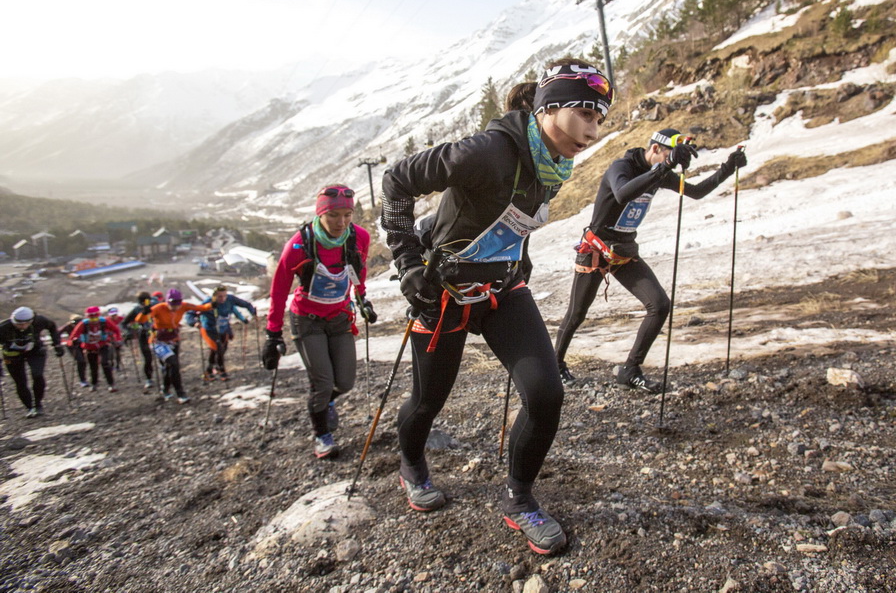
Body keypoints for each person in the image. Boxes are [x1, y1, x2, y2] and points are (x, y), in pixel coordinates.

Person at [378, 59, 612, 555]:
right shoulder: (487, 152)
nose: (592, 131)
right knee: (428, 401)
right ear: (548, 107)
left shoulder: (555, 162)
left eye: (599, 119)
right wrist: (407, 264)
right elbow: (397, 179)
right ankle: (412, 465)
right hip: (442, 292)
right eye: (585, 114)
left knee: (546, 394)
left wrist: (519, 261)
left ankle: (519, 499)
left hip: (502, 289)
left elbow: (514, 218)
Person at [554, 128, 747, 391]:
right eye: (668, 156)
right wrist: (664, 167)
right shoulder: (621, 167)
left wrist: (728, 168)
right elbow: (622, 193)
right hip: (595, 250)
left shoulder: (660, 172)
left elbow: (696, 191)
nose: (669, 162)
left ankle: (630, 370)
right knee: (577, 314)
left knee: (659, 305)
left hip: (623, 252)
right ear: (655, 149)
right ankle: (555, 366)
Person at [262, 185, 375, 459]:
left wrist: (362, 299)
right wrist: (272, 334)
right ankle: (322, 435)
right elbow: (279, 289)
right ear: (320, 214)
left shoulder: (359, 237)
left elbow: (357, 270)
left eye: (347, 214)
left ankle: (326, 403)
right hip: (307, 320)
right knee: (322, 383)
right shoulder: (299, 245)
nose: (341, 222)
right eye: (333, 215)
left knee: (345, 382)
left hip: (339, 317)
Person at [144, 288, 211, 404]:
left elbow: (202, 308)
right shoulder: (159, 308)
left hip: (174, 340)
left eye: (177, 305)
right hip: (158, 342)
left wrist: (213, 303)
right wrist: (145, 312)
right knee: (173, 363)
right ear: (167, 302)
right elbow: (141, 319)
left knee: (170, 366)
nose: (175, 307)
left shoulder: (183, 306)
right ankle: (180, 393)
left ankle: (165, 389)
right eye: (172, 305)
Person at [1, 307, 64, 417]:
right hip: (12, 354)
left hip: (35, 351)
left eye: (24, 324)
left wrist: (57, 344)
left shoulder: (40, 320)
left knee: (37, 375)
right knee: (20, 381)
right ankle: (29, 407)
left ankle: (38, 404)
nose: (21, 327)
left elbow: (52, 327)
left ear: (31, 321)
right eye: (17, 324)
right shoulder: (3, 327)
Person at [186, 285, 256, 382]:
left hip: (223, 328)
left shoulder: (230, 299)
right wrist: (194, 322)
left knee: (220, 350)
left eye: (224, 296)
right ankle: (221, 370)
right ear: (215, 296)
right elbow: (190, 313)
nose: (223, 299)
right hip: (210, 329)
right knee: (218, 348)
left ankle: (209, 371)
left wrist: (252, 312)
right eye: (220, 296)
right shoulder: (208, 302)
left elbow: (245, 304)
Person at [69, 306, 122, 392]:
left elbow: (116, 330)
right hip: (89, 347)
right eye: (91, 317)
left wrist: (118, 340)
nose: (94, 320)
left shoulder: (104, 321)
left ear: (98, 315)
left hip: (103, 345)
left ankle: (111, 384)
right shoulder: (83, 324)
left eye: (95, 317)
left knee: (105, 363)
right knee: (93, 366)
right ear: (88, 317)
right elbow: (73, 335)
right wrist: (74, 341)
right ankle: (94, 384)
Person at [121, 291, 158, 391]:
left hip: (156, 333)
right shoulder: (137, 309)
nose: (143, 304)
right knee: (147, 358)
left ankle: (166, 375)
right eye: (141, 302)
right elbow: (124, 323)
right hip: (144, 335)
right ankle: (149, 379)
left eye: (145, 302)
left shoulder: (156, 306)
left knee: (161, 357)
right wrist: (129, 331)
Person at [59, 314, 88, 388]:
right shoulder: (67, 326)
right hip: (72, 346)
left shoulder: (84, 325)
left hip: (82, 344)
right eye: (75, 323)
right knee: (80, 361)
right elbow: (57, 333)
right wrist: (63, 342)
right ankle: (82, 380)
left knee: (84, 362)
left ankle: (83, 378)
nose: (76, 325)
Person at [106, 307, 124, 371]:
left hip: (118, 338)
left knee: (117, 352)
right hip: (110, 338)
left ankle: (118, 365)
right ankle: (111, 364)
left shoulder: (120, 319)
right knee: (110, 352)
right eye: (112, 315)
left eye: (115, 315)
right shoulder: (106, 320)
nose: (114, 316)